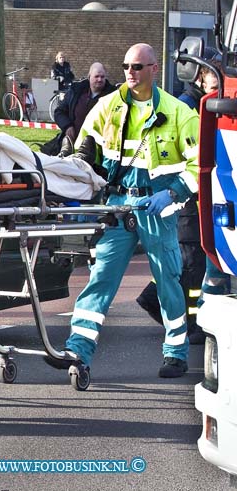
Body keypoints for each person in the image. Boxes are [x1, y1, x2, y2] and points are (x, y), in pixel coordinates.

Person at [46, 43, 199, 379]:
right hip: (118, 206)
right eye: (127, 66)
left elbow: (200, 164)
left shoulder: (178, 113)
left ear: (154, 69)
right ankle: (78, 348)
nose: (131, 72)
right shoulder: (108, 107)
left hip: (158, 207)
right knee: (100, 277)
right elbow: (86, 152)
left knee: (167, 281)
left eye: (139, 67)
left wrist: (172, 193)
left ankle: (176, 352)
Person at [136, 55, 222, 344]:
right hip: (186, 196)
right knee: (189, 260)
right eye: (214, 74)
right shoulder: (188, 104)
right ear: (199, 76)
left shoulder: (200, 101)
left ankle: (188, 319)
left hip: (193, 195)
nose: (217, 79)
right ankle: (172, 312)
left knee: (190, 259)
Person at [50, 62, 116, 154]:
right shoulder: (75, 91)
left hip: (99, 149)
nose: (100, 79)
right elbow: (59, 111)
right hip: (72, 144)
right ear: (89, 77)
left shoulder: (113, 95)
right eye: (96, 76)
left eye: (102, 77)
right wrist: (67, 126)